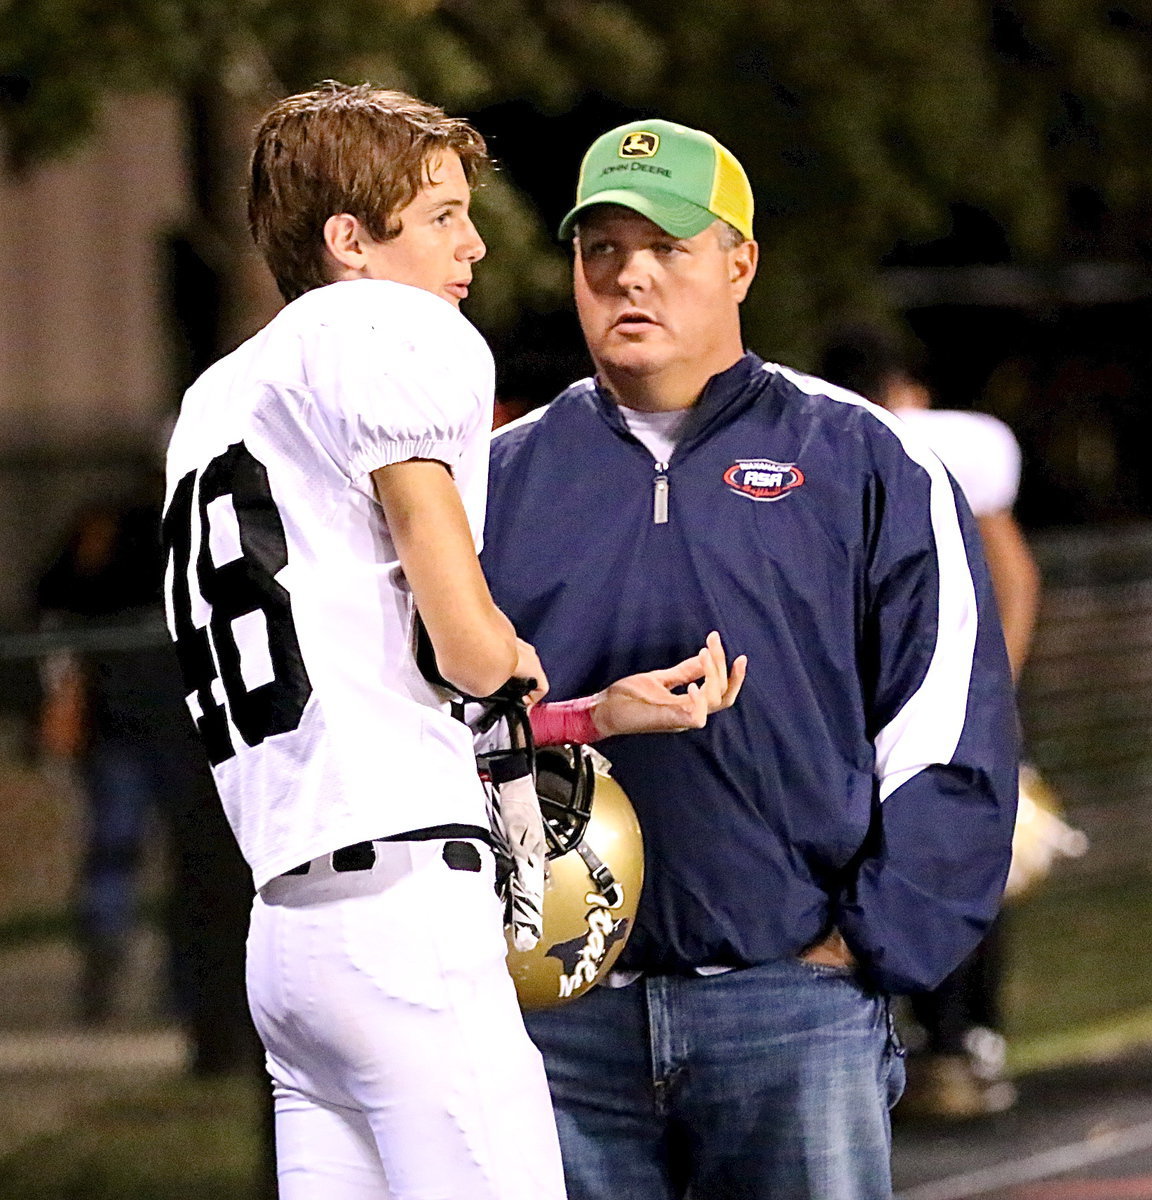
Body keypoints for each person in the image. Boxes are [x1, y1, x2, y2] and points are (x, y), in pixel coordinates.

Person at [162, 83, 741, 1199]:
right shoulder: (393, 326)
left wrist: (580, 711)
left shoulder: (221, 395)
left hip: (289, 934)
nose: (473, 243)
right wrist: (511, 663)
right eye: (438, 216)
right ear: (350, 243)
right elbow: (466, 646)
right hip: (404, 920)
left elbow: (370, 658)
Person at [481, 118, 1019, 1200]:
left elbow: (949, 722)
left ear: (740, 263)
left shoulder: (871, 459)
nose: (630, 276)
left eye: (668, 247)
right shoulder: (493, 478)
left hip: (790, 1000)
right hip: (555, 1018)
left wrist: (866, 947)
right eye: (602, 252)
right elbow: (436, 722)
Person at [820, 324, 1041, 1117]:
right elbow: (1015, 572)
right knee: (943, 856)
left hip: (905, 701)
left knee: (944, 854)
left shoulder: (842, 445)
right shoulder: (842, 451)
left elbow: (1007, 576)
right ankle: (947, 1038)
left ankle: (951, 1038)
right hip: (878, 705)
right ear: (905, 388)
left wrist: (983, 699)